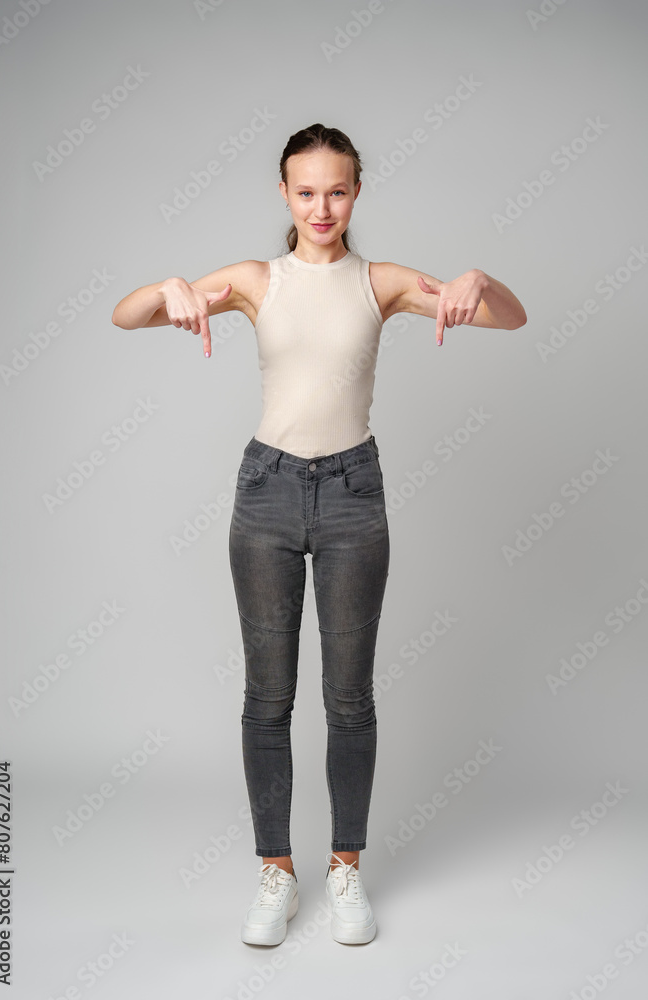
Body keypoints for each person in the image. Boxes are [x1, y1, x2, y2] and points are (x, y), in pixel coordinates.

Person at [111, 123, 527, 947]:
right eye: (306, 191)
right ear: (284, 194)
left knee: (348, 698)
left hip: (351, 493)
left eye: (336, 189)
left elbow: (510, 319)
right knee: (268, 699)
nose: (321, 206)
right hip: (266, 491)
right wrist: (169, 287)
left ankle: (345, 869)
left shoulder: (383, 283)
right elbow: (126, 317)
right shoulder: (255, 280)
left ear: (356, 192)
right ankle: (276, 872)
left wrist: (482, 280)